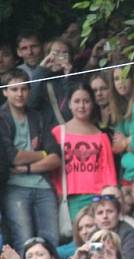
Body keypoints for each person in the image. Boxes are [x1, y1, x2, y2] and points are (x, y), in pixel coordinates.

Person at [0, 68, 61, 251]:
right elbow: (13, 157)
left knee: (51, 240)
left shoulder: (38, 116)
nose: (20, 94)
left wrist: (27, 167)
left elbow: (56, 158)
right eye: (14, 89)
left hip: (43, 185)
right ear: (4, 91)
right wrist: (43, 154)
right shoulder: (1, 118)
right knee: (23, 240)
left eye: (24, 89)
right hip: (14, 187)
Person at [51, 82, 118, 219]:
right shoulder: (58, 133)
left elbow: (109, 173)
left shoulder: (102, 136)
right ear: (69, 104)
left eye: (86, 101)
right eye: (77, 101)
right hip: (68, 199)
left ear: (92, 104)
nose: (81, 106)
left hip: (97, 200)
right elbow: (53, 169)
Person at [91, 193, 134, 259]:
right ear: (94, 219)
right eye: (100, 213)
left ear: (119, 214)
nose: (105, 216)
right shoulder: (93, 235)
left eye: (110, 211)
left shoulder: (130, 235)